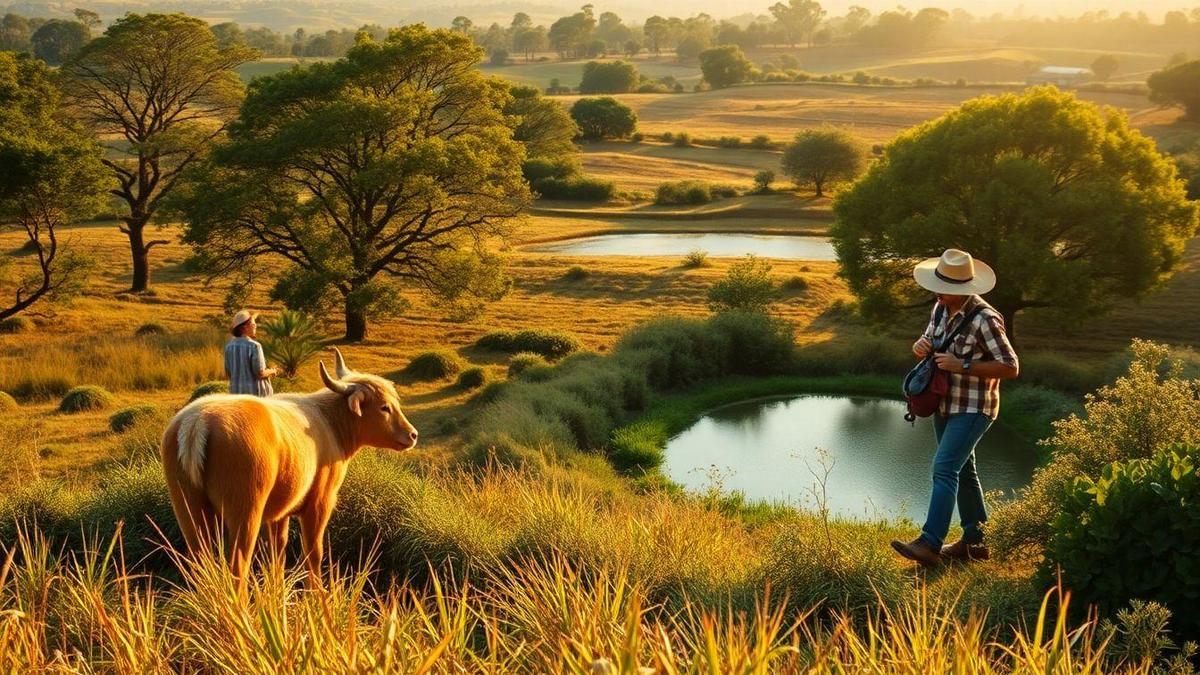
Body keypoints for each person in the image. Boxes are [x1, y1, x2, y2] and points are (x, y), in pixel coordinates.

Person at [891, 249, 1019, 567]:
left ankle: (929, 543)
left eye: (944, 288)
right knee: (964, 470)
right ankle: (976, 543)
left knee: (944, 468)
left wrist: (962, 365)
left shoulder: (986, 319)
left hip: (975, 407)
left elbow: (1010, 366)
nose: (937, 292)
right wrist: (919, 346)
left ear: (963, 288)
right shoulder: (939, 308)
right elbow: (927, 343)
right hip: (944, 404)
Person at [224, 310, 278, 397]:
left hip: (235, 395)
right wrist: (272, 371)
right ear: (244, 328)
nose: (255, 326)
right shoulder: (254, 346)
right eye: (253, 324)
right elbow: (260, 373)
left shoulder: (229, 347)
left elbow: (228, 373)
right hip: (255, 397)